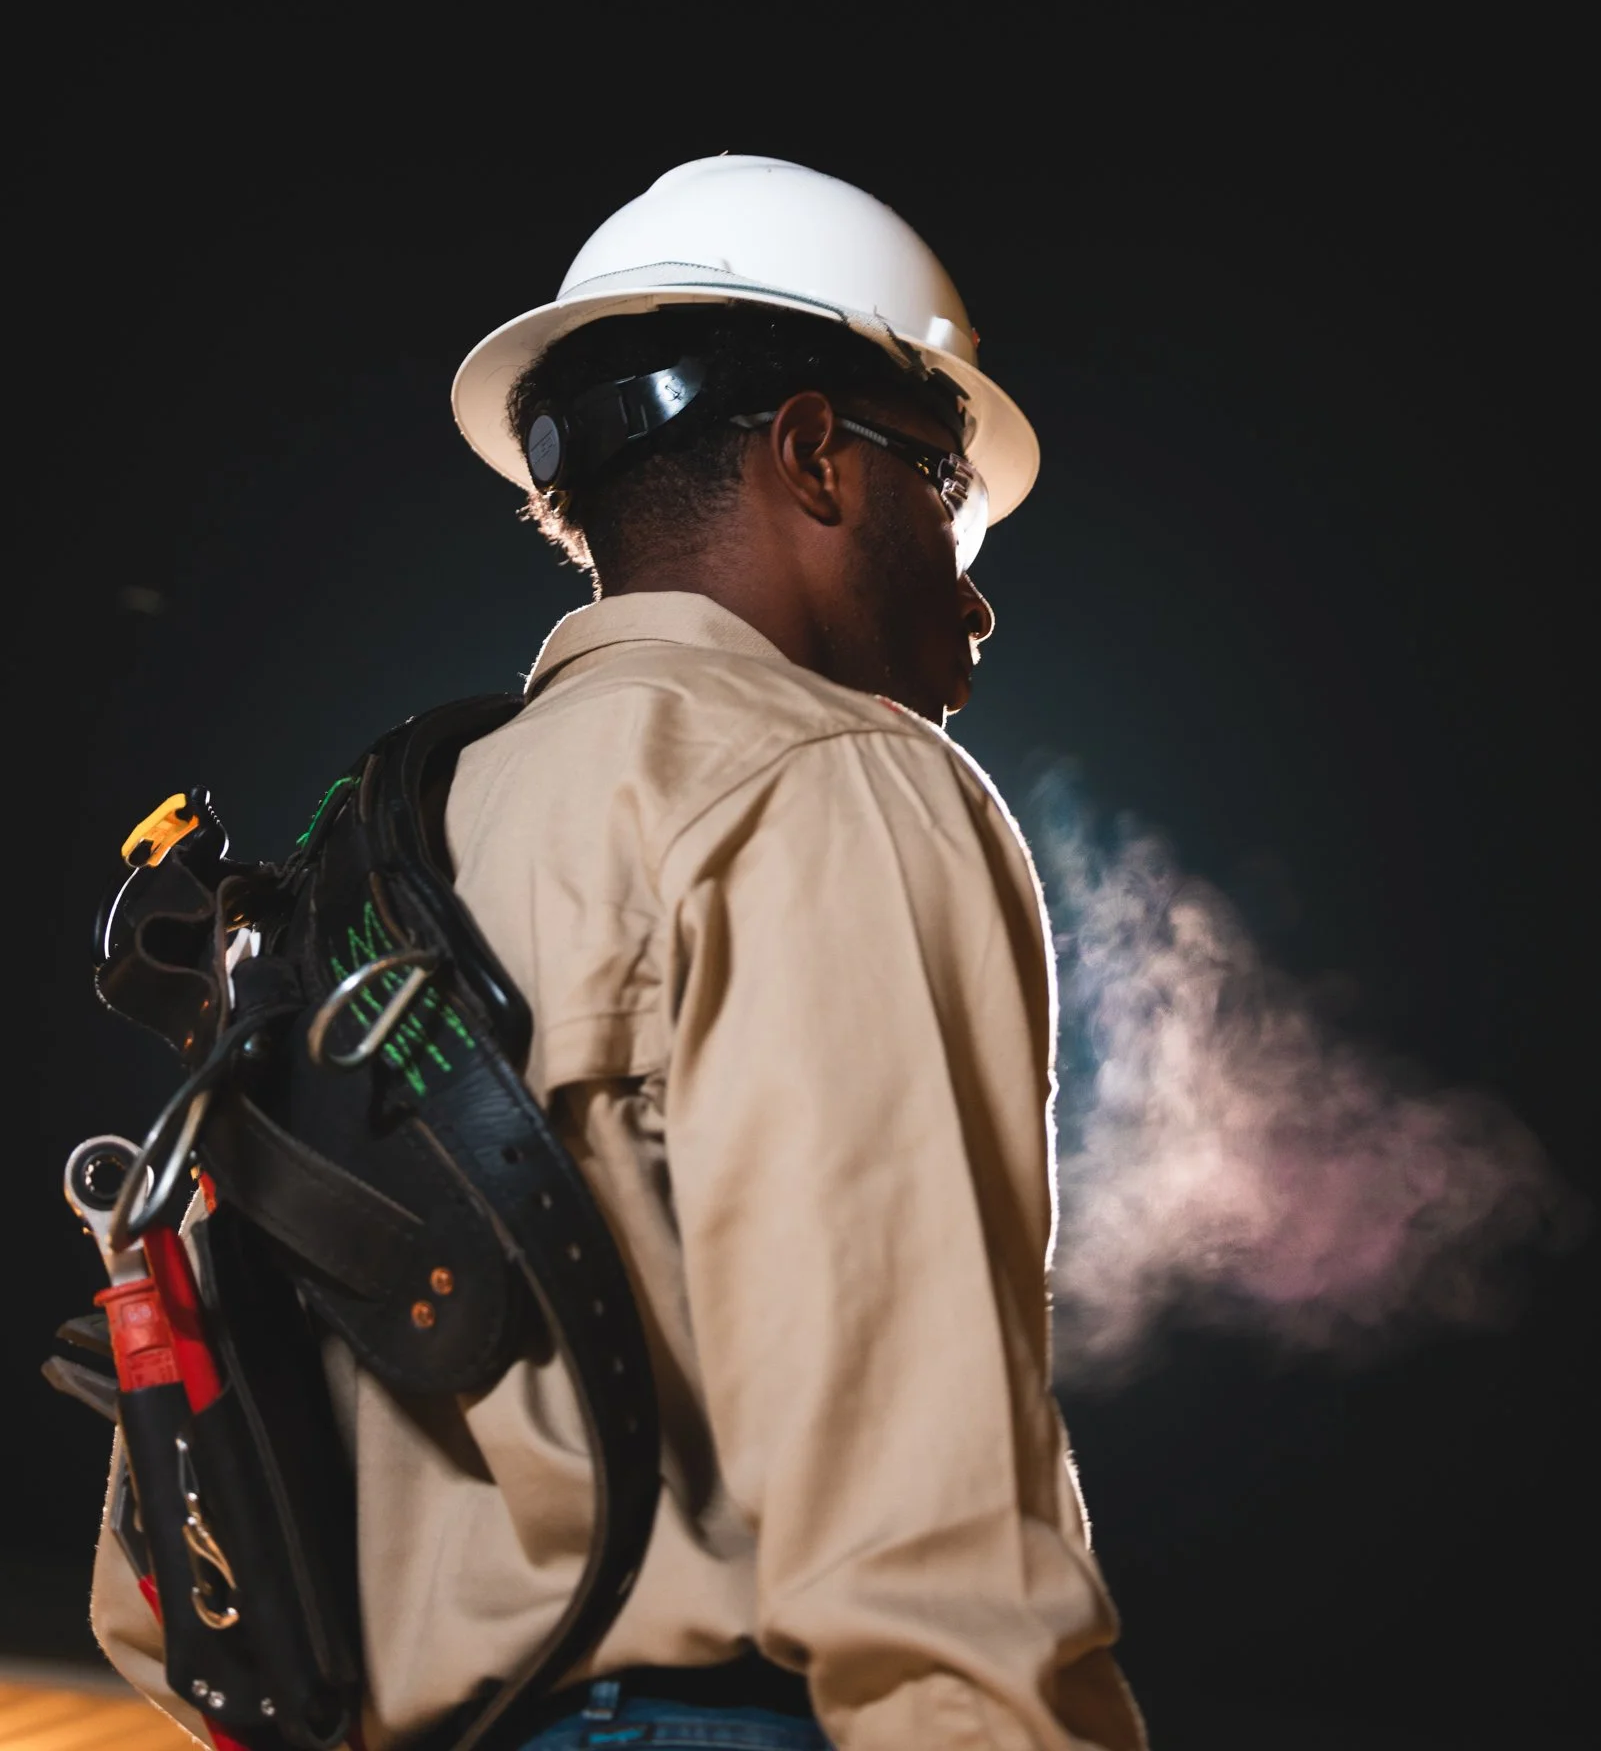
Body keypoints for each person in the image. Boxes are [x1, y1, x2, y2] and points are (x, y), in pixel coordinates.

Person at [93, 155, 1146, 1750]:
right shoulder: (825, 780)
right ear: (813, 456)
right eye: (948, 489)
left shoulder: (379, 845)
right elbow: (924, 1544)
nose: (976, 590)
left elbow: (172, 1562)